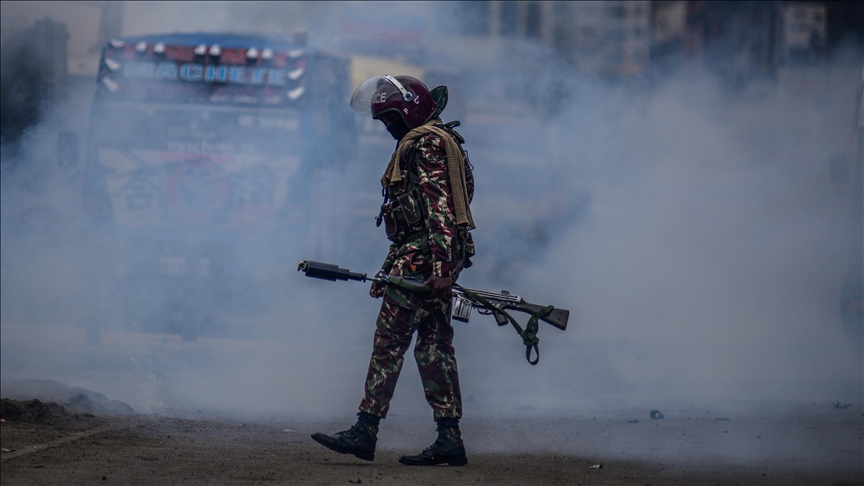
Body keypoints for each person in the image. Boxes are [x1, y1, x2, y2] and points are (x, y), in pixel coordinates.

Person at [311, 75, 476, 466]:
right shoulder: (436, 139)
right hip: (428, 257)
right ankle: (450, 438)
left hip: (425, 260)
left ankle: (365, 431)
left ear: (410, 112)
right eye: (384, 121)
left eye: (391, 120)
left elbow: (439, 212)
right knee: (435, 348)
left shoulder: (426, 144)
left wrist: (438, 269)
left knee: (389, 343)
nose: (389, 128)